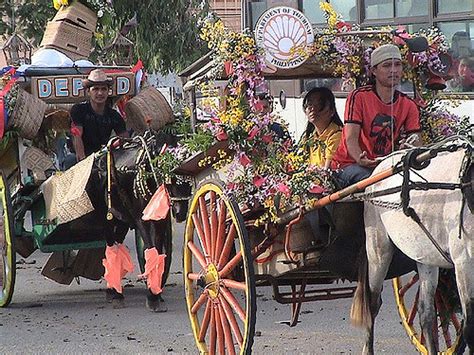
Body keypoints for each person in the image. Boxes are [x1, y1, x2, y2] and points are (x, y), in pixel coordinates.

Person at [330, 44, 422, 188]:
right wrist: (361, 160)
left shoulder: (409, 104)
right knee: (377, 182)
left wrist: (408, 147)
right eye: (386, 66)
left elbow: (416, 139)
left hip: (384, 166)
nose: (393, 70)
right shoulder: (358, 97)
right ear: (374, 70)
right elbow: (351, 138)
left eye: (397, 65)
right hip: (348, 165)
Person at [70, 69, 128, 161]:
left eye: (103, 89)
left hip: (102, 156)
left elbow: (125, 139)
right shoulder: (78, 110)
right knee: (70, 160)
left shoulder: (114, 116)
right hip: (80, 157)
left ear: (108, 92)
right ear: (89, 92)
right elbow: (76, 135)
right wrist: (83, 161)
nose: (100, 93)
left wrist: (117, 145)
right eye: (96, 89)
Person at [299, 87, 343, 169]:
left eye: (319, 105)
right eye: (309, 104)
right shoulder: (309, 137)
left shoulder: (337, 135)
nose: (313, 109)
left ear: (332, 111)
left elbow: (327, 171)